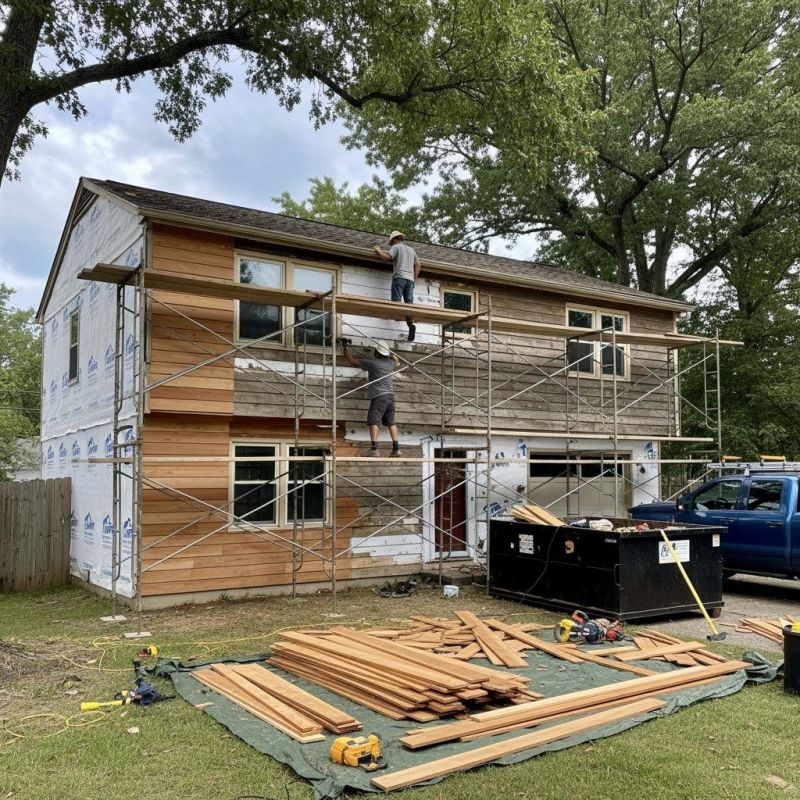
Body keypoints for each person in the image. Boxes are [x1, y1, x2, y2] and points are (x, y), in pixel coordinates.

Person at [342, 339, 402, 456]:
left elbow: (351, 361)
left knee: (374, 421)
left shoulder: (372, 364)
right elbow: (398, 363)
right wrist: (392, 356)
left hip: (379, 397)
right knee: (391, 422)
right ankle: (396, 449)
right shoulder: (391, 364)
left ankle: (374, 449)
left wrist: (345, 348)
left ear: (377, 353)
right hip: (390, 397)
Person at [372, 230, 421, 341]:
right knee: (409, 305)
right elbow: (418, 265)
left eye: (391, 242)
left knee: (396, 302)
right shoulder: (411, 250)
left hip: (399, 277)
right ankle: (410, 325)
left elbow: (386, 258)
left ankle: (398, 316)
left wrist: (378, 251)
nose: (391, 244)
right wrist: (414, 279)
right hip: (410, 280)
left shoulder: (396, 247)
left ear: (394, 240)